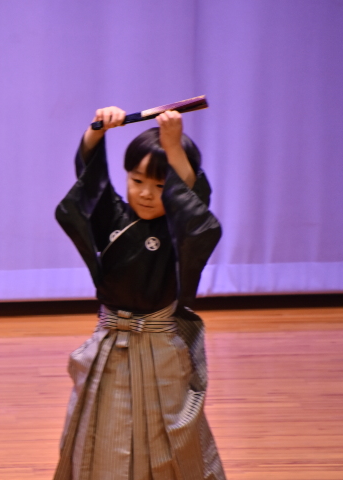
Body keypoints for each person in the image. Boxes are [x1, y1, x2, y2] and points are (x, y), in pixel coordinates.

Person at [53, 106, 226, 480]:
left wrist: (173, 145)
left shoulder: (178, 227)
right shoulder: (112, 216)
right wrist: (98, 130)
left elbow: (194, 200)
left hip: (161, 345)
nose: (146, 194)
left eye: (161, 186)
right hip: (110, 342)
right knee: (99, 425)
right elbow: (90, 177)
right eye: (137, 181)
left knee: (170, 429)